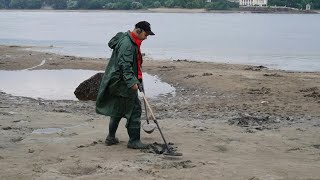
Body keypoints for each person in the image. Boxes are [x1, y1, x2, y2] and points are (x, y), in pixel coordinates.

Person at [96, 21, 155, 149]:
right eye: (146, 34)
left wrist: (137, 79)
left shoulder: (125, 38)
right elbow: (125, 65)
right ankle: (134, 141)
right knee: (135, 109)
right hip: (122, 82)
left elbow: (130, 63)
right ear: (138, 30)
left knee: (117, 108)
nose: (146, 37)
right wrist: (132, 82)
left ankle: (111, 138)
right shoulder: (128, 44)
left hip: (117, 81)